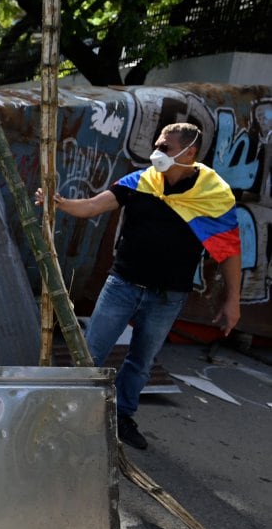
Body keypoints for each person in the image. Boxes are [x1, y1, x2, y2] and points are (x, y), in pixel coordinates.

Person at [35, 122, 241, 449]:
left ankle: (122, 417)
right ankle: (67, 414)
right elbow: (92, 206)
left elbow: (229, 252)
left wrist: (233, 301)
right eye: (157, 145)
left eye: (165, 148)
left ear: (190, 153)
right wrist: (57, 203)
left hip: (168, 294)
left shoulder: (213, 195)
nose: (156, 153)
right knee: (90, 351)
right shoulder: (140, 181)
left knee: (141, 361)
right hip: (123, 283)